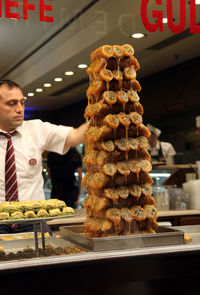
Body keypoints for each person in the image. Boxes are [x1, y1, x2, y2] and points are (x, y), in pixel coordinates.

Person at [0, 79, 86, 233]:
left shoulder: (36, 129)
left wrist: (105, 113)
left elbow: (76, 135)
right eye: (12, 103)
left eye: (22, 102)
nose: (20, 109)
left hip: (33, 220)